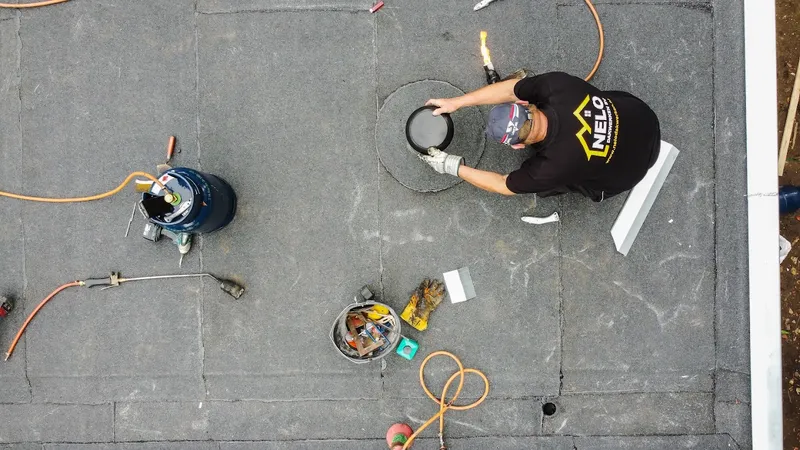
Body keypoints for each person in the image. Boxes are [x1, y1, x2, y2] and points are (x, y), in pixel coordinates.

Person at [419, 71, 661, 202]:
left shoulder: (550, 169)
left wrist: (450, 166)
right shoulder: (556, 86)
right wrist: (456, 103)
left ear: (517, 146)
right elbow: (511, 88)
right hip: (642, 115)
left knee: (551, 186)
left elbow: (503, 184)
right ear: (526, 105)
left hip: (632, 171)